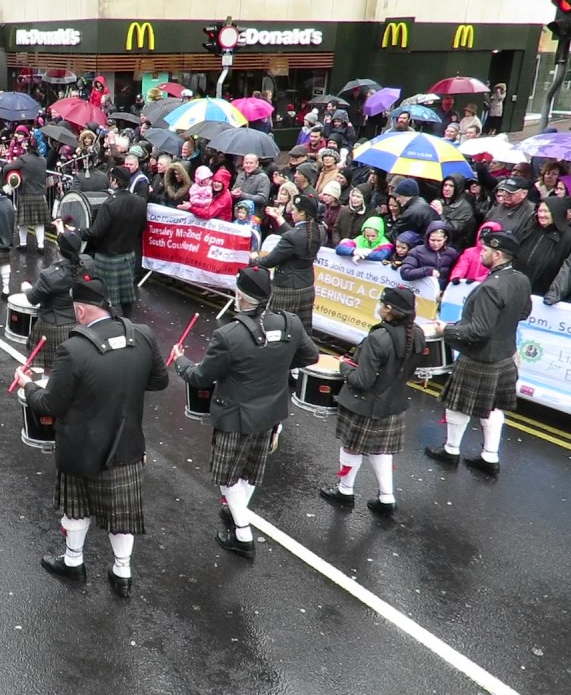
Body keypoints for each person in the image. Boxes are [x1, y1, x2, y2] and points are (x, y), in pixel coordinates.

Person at [14, 276, 169, 597]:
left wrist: (26, 383)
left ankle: (73, 563)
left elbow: (50, 404)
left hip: (81, 449)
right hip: (127, 445)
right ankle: (122, 572)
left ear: (82, 311)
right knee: (121, 514)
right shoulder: (143, 335)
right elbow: (159, 382)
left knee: (77, 508)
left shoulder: (73, 350)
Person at [171, 267, 318, 556]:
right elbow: (310, 356)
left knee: (227, 476)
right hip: (273, 410)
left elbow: (201, 377)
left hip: (236, 415)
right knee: (250, 471)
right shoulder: (291, 323)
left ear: (240, 295)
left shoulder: (228, 335)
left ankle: (242, 534)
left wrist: (180, 360)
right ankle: (236, 513)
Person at [425, 230, 532, 475]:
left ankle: (451, 451)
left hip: (480, 357)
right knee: (493, 408)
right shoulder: (520, 279)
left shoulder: (490, 287)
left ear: (497, 254)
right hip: (505, 354)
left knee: (457, 405)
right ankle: (490, 458)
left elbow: (479, 331)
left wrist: (447, 330)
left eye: (484, 250)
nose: (480, 253)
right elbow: (524, 312)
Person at [319, 286, 425, 514]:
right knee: (381, 450)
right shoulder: (417, 333)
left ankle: (344, 492)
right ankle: (387, 499)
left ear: (388, 308)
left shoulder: (379, 338)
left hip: (365, 403)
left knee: (351, 448)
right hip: (393, 402)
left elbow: (362, 380)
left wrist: (344, 367)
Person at [63, 167, 146, 317]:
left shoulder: (109, 204)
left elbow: (96, 232)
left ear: (114, 181)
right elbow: (142, 228)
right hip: (127, 254)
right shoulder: (140, 202)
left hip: (107, 255)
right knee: (126, 294)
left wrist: (76, 231)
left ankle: (108, 323)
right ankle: (127, 320)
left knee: (105, 294)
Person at [21, 231, 93, 371]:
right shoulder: (88, 264)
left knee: (49, 370)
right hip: (79, 323)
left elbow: (33, 298)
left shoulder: (49, 275)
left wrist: (26, 289)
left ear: (59, 249)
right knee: (72, 369)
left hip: (53, 326)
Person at [253, 193, 322, 333]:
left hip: (287, 289)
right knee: (300, 332)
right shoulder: (318, 230)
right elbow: (296, 236)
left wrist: (254, 258)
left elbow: (269, 261)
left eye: (295, 209)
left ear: (302, 212)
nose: (291, 212)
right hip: (306, 287)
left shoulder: (292, 237)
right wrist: (279, 218)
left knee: (276, 330)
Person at [517, 197, 571, 295]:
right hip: (519, 288)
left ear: (557, 212)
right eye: (540, 211)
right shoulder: (530, 230)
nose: (542, 215)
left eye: (546, 211)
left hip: (544, 293)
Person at [5, 145, 51, 253]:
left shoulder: (23, 159)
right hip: (40, 194)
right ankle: (41, 246)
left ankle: (23, 244)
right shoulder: (43, 160)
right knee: (39, 222)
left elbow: (7, 168)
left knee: (23, 222)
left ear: (28, 150)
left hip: (26, 193)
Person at [400, 221, 461, 290]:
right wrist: (427, 271)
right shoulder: (417, 251)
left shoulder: (452, 253)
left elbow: (456, 270)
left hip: (443, 292)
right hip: (421, 291)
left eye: (439, 240)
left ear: (445, 239)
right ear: (427, 238)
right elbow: (405, 273)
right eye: (432, 240)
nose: (435, 244)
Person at [432, 175, 477, 249]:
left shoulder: (465, 208)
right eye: (445, 185)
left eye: (451, 186)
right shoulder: (439, 201)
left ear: (458, 188)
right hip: (435, 240)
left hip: (453, 246)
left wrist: (440, 214)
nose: (447, 189)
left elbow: (453, 231)